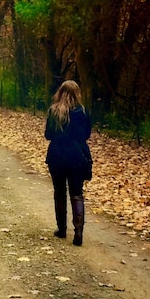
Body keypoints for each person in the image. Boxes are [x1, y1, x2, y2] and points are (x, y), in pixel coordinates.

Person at [44, 80, 92, 246]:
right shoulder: (83, 113)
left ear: (60, 92)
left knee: (59, 192)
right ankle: (78, 232)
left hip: (57, 156)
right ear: (77, 93)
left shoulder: (54, 111)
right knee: (77, 193)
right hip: (77, 156)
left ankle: (62, 229)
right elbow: (86, 135)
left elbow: (48, 135)